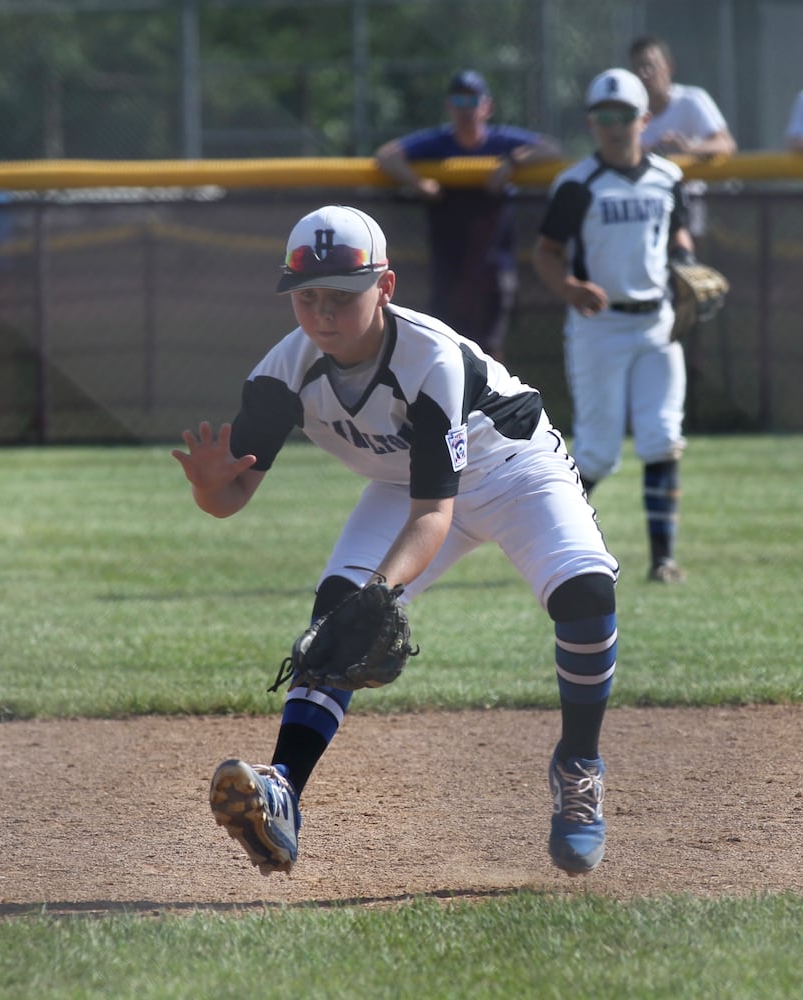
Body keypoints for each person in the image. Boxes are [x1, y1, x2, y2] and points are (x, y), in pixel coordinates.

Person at [172, 204, 620, 879]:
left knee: (585, 591)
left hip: (513, 467)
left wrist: (380, 594)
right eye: (308, 297)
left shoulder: (428, 358)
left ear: (384, 288)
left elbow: (434, 515)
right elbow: (233, 496)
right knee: (333, 622)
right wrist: (210, 491)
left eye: (342, 296)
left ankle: (578, 768)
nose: (323, 314)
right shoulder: (281, 374)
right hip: (405, 483)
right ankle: (282, 790)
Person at [532, 68, 695, 585]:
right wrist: (569, 289)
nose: (614, 125)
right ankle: (545, 536)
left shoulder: (668, 177)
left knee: (663, 437)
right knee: (598, 449)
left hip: (657, 320)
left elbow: (677, 233)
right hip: (599, 324)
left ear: (644, 119)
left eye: (624, 115)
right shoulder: (577, 184)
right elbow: (547, 253)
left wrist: (688, 263)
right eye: (604, 117)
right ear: (591, 122)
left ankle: (663, 559)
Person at [374, 69, 562, 362]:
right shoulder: (438, 143)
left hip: (493, 268)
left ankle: (493, 404)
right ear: (449, 106)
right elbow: (386, 156)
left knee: (490, 350)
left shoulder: (500, 143)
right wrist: (420, 183)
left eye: (473, 101)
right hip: (450, 267)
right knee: (446, 345)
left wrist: (512, 163)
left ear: (487, 106)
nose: (466, 109)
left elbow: (552, 149)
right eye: (459, 101)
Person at [629, 35, 735, 238]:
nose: (645, 74)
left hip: (692, 220)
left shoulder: (691, 100)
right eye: (638, 68)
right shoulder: (629, 114)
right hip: (644, 221)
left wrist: (688, 149)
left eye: (651, 65)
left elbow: (726, 145)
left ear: (669, 67)